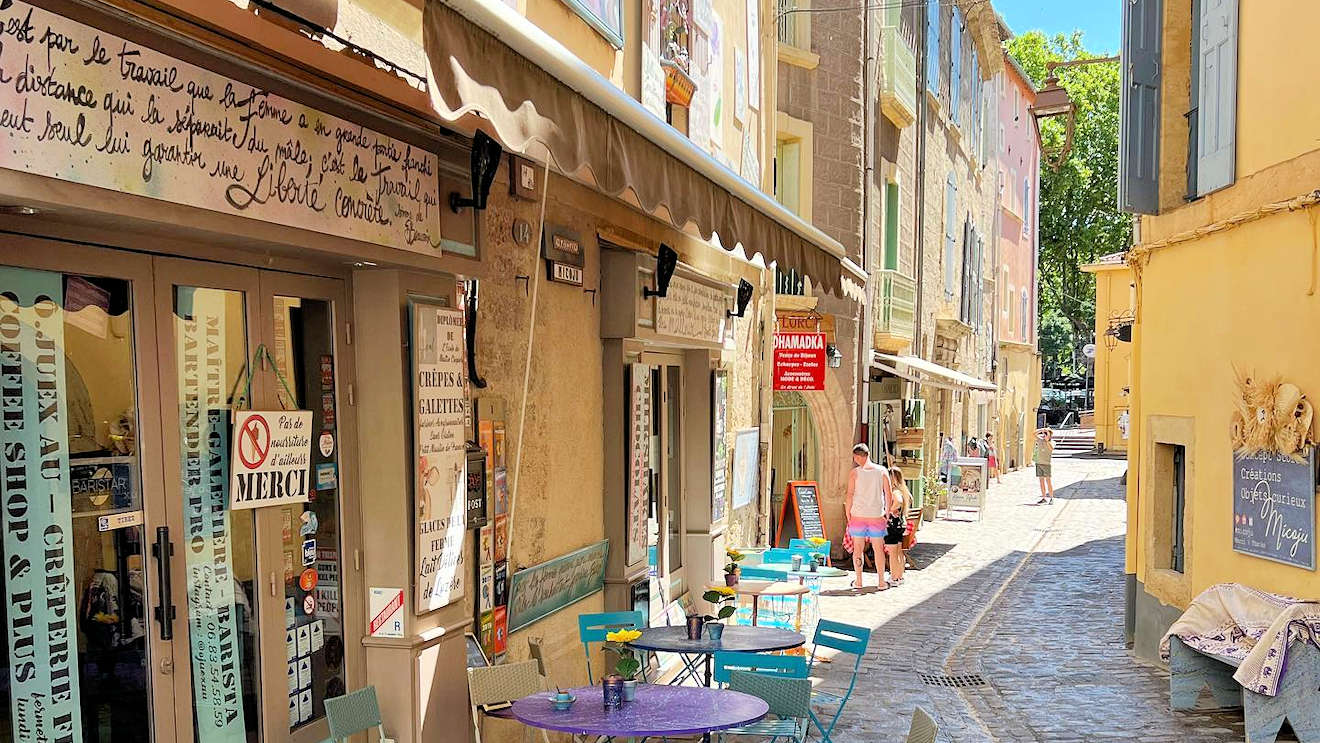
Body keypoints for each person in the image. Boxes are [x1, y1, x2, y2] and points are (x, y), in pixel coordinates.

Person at [844, 443, 893, 590]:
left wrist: (848, 512)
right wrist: (888, 512)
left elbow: (850, 494)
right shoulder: (882, 471)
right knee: (878, 548)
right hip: (876, 514)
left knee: (858, 549)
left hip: (858, 514)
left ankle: (859, 580)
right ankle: (881, 581)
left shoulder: (855, 473)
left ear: (858, 456)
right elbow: (888, 494)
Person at [884, 466, 912, 587]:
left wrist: (889, 510)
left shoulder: (895, 491)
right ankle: (899, 576)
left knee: (893, 553)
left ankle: (894, 577)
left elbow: (898, 501)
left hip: (892, 524)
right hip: (900, 524)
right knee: (899, 552)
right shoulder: (904, 491)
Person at [1034, 428, 1055, 504]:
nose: (1044, 435)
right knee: (1041, 482)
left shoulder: (1052, 442)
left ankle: (1051, 498)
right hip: (1039, 463)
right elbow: (1034, 434)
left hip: (1046, 464)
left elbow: (1051, 448)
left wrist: (1047, 440)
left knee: (1048, 481)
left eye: (1046, 434)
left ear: (1050, 435)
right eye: (1044, 433)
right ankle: (1043, 498)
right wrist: (1042, 430)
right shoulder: (1040, 440)